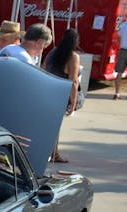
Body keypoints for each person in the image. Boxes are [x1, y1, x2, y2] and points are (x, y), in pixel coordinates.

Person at [44, 28, 81, 163]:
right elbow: (73, 80)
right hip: (61, 94)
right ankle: (54, 154)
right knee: (55, 126)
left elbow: (44, 68)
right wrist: (74, 101)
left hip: (48, 90)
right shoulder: (73, 57)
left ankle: (49, 152)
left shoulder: (53, 52)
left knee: (47, 124)